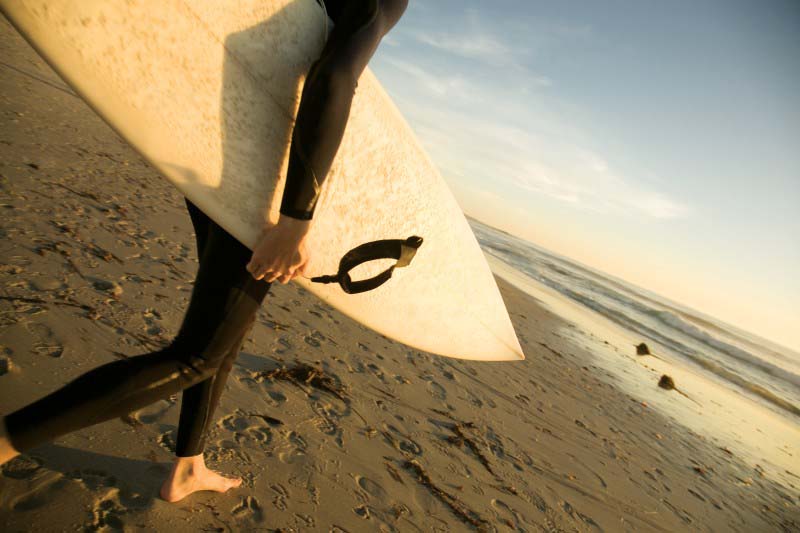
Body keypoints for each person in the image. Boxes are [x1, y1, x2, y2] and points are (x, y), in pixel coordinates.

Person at [0, 0, 408, 502]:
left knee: (222, 335)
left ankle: (187, 466)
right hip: (264, 192)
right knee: (197, 356)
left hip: (218, 160)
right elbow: (336, 74)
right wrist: (295, 219)